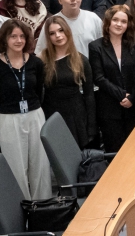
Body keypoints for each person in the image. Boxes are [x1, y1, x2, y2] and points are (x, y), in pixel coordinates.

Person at [0, 20, 52, 199]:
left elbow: (39, 91)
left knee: (40, 164)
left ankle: (43, 205)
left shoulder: (35, 63)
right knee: (16, 167)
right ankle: (23, 208)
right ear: (4, 39)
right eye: (13, 36)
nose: (18, 40)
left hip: (35, 115)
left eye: (22, 36)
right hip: (9, 119)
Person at [89, 5, 135, 152]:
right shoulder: (95, 46)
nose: (119, 24)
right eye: (115, 20)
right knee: (115, 152)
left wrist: (132, 97)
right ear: (108, 22)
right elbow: (99, 78)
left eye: (123, 21)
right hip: (109, 109)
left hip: (133, 108)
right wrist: (122, 94)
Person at [39, 15, 95, 148]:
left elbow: (89, 95)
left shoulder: (81, 59)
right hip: (51, 114)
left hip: (76, 114)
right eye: (52, 33)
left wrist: (91, 125)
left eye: (61, 30)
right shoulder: (42, 59)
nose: (58, 36)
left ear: (67, 31)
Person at [35, 0, 103, 56]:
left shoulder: (93, 18)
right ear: (60, 0)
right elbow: (41, 53)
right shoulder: (51, 22)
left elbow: (103, 46)